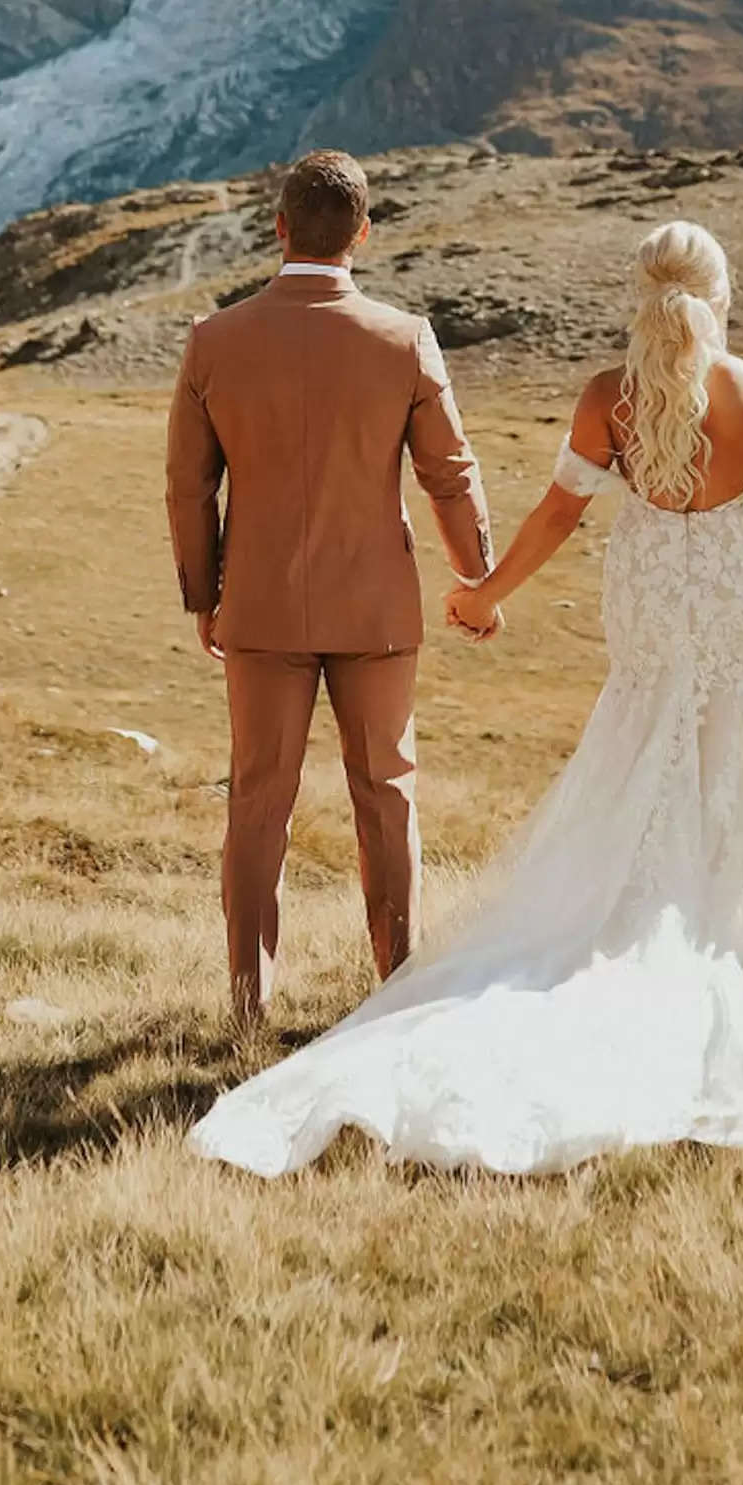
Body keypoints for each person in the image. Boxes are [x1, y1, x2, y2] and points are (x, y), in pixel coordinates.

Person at [191, 217, 743, 1176]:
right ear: (719, 294)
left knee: (638, 733)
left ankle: (640, 912)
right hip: (724, 597)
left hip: (645, 597)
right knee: (722, 736)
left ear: (641, 294)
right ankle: (704, 924)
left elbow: (560, 511)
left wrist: (484, 594)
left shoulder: (609, 397)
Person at [165, 148, 494, 1028]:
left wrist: (205, 596)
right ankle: (396, 995)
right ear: (365, 232)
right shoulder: (404, 338)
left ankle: (246, 1005)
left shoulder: (214, 340)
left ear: (279, 228)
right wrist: (475, 576)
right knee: (386, 794)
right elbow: (450, 474)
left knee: (256, 798)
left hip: (261, 609)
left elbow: (189, 486)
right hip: (377, 609)